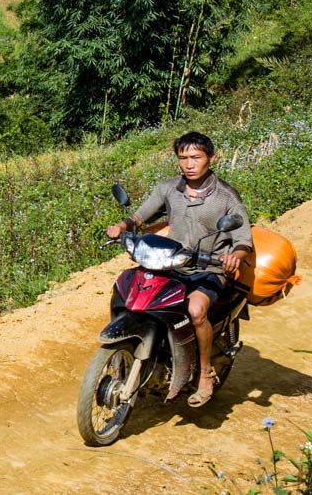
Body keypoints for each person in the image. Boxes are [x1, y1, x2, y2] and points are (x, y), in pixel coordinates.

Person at [105, 130, 253, 407]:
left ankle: (205, 373)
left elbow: (243, 239)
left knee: (196, 310)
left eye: (196, 157)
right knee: (125, 288)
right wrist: (123, 227)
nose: (189, 164)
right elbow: (139, 216)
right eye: (183, 158)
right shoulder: (168, 188)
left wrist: (236, 255)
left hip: (208, 268)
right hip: (171, 262)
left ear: (211, 158)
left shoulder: (226, 197)